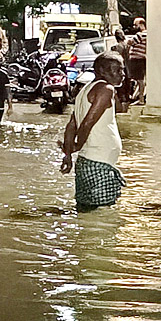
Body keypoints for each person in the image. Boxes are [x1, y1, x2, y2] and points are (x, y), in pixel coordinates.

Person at [60, 52, 127, 211]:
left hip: (87, 161)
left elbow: (71, 125)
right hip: (99, 162)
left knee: (87, 211)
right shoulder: (106, 89)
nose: (122, 75)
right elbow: (87, 123)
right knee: (101, 214)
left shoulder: (84, 90)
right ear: (102, 71)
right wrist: (77, 145)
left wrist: (68, 154)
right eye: (117, 70)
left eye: (123, 70)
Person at [126, 17, 147, 103]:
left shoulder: (141, 34)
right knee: (139, 79)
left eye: (136, 25)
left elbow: (130, 42)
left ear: (141, 25)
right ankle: (138, 96)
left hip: (136, 59)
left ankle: (141, 98)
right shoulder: (146, 34)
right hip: (141, 58)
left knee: (139, 79)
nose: (134, 27)